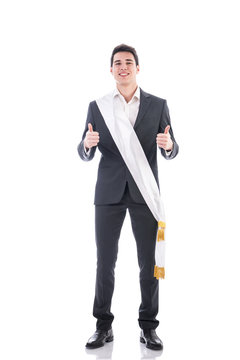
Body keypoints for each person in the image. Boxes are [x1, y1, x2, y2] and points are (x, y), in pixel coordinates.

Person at [77, 44, 179, 351]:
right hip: (108, 193)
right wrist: (86, 144)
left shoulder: (158, 105)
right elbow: (84, 150)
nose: (123, 67)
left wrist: (169, 145)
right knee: (104, 262)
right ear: (111, 70)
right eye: (118, 63)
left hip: (144, 193)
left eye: (129, 63)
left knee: (148, 263)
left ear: (137, 68)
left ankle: (148, 328)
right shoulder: (98, 106)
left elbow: (173, 148)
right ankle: (103, 326)